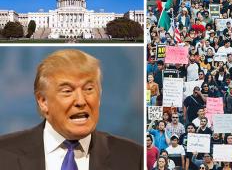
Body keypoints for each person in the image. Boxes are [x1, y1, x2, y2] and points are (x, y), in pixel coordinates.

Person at [0, 49, 143, 170]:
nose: (81, 101)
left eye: (89, 89)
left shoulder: (134, 157)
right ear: (43, 101)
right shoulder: (4, 153)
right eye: (67, 91)